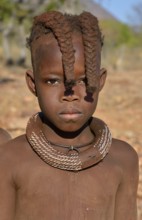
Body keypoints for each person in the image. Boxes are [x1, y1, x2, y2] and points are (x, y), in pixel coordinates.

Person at [0, 11, 139, 220]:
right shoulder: (9, 158)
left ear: (100, 81)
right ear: (32, 83)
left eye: (83, 80)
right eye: (53, 81)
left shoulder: (123, 159)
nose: (70, 95)